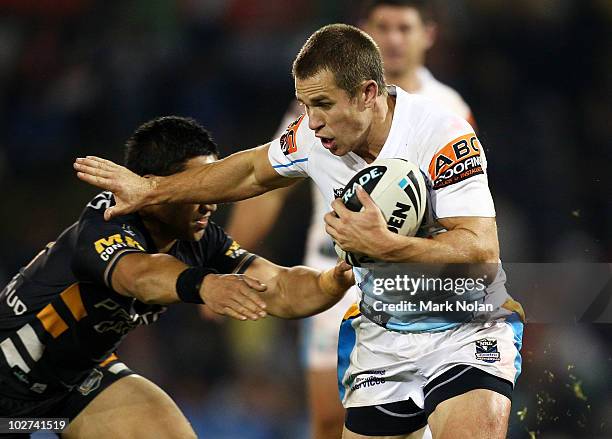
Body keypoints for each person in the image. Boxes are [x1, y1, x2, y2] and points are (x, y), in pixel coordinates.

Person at [74, 24, 524, 439]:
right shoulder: (315, 139)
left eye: (323, 104)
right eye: (305, 105)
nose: (311, 122)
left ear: (368, 93)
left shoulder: (441, 134)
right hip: (384, 334)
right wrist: (152, 190)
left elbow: (480, 247)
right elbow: (249, 172)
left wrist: (388, 245)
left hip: (465, 323)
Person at [0, 116, 354, 438]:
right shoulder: (107, 217)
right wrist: (204, 285)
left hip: (75, 383)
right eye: (197, 187)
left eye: (211, 187)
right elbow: (138, 274)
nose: (210, 202)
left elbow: (277, 286)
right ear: (156, 187)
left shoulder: (198, 239)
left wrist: (334, 280)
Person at [224, 2, 476, 437]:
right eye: (383, 26)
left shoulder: (448, 108)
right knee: (328, 418)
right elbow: (264, 182)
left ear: (427, 34)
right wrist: (228, 258)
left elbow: (466, 204)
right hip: (333, 270)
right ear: (366, 32)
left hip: (411, 278)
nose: (394, 38)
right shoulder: (317, 107)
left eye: (404, 27)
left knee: (418, 413)